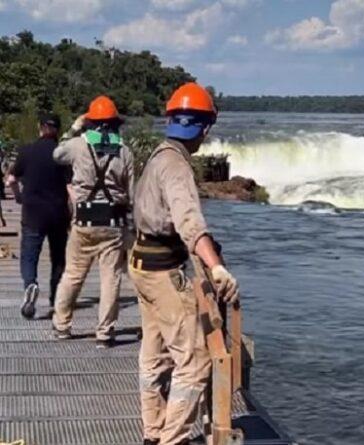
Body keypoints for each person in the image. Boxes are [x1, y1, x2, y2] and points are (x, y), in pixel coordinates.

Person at [130, 82, 239, 445]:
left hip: (141, 263)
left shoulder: (157, 156)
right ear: (204, 129)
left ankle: (153, 431)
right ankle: (172, 439)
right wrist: (216, 267)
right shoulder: (176, 165)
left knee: (155, 352)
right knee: (194, 363)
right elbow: (190, 223)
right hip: (163, 272)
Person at [51, 96, 134, 348]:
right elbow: (132, 192)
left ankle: (62, 326)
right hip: (113, 222)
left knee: (73, 274)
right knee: (111, 278)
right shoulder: (124, 151)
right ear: (114, 123)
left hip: (84, 221)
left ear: (90, 122)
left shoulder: (77, 145)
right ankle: (105, 333)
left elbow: (56, 154)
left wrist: (74, 127)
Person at [5, 113, 71, 319]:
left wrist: (18, 197)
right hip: (58, 214)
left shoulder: (27, 151)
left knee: (29, 256)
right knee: (58, 258)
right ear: (58, 130)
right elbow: (71, 188)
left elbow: (11, 180)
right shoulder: (63, 155)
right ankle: (56, 299)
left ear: (40, 127)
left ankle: (31, 284)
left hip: (32, 213)